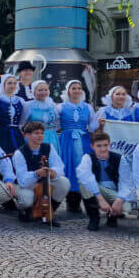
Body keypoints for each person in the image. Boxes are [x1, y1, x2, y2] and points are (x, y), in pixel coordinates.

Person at [12, 121, 70, 224]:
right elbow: (22, 181)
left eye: (42, 133)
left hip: (43, 181)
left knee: (64, 183)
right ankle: (24, 210)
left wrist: (53, 172)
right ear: (27, 135)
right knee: (26, 199)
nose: (40, 136)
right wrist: (36, 174)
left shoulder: (48, 148)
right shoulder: (19, 153)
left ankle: (48, 212)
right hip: (25, 185)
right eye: (36, 133)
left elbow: (59, 166)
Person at [77, 130, 132, 232]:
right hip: (97, 191)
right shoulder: (87, 158)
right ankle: (94, 218)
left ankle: (112, 216)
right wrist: (101, 200)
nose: (103, 149)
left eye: (105, 145)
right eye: (99, 146)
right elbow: (86, 178)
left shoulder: (120, 158)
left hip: (114, 192)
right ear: (92, 146)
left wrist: (119, 199)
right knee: (83, 184)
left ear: (109, 145)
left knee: (127, 207)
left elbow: (127, 182)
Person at [57, 79, 98, 213]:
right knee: (69, 167)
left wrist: (100, 125)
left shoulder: (88, 107)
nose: (77, 90)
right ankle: (71, 200)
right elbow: (55, 125)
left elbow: (92, 126)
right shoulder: (61, 107)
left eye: (79, 88)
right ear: (68, 91)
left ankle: (82, 199)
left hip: (84, 140)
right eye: (73, 88)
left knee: (83, 168)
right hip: (67, 141)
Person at [20, 80, 60, 155]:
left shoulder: (52, 105)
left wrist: (51, 130)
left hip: (51, 137)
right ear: (34, 92)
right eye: (40, 90)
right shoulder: (28, 105)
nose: (43, 92)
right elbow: (22, 123)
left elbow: (57, 121)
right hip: (34, 138)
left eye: (46, 90)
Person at [0, 74, 24, 159]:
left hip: (17, 133)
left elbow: (22, 120)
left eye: (14, 83)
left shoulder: (20, 100)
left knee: (18, 156)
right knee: (3, 155)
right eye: (9, 83)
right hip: (2, 133)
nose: (12, 86)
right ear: (4, 85)